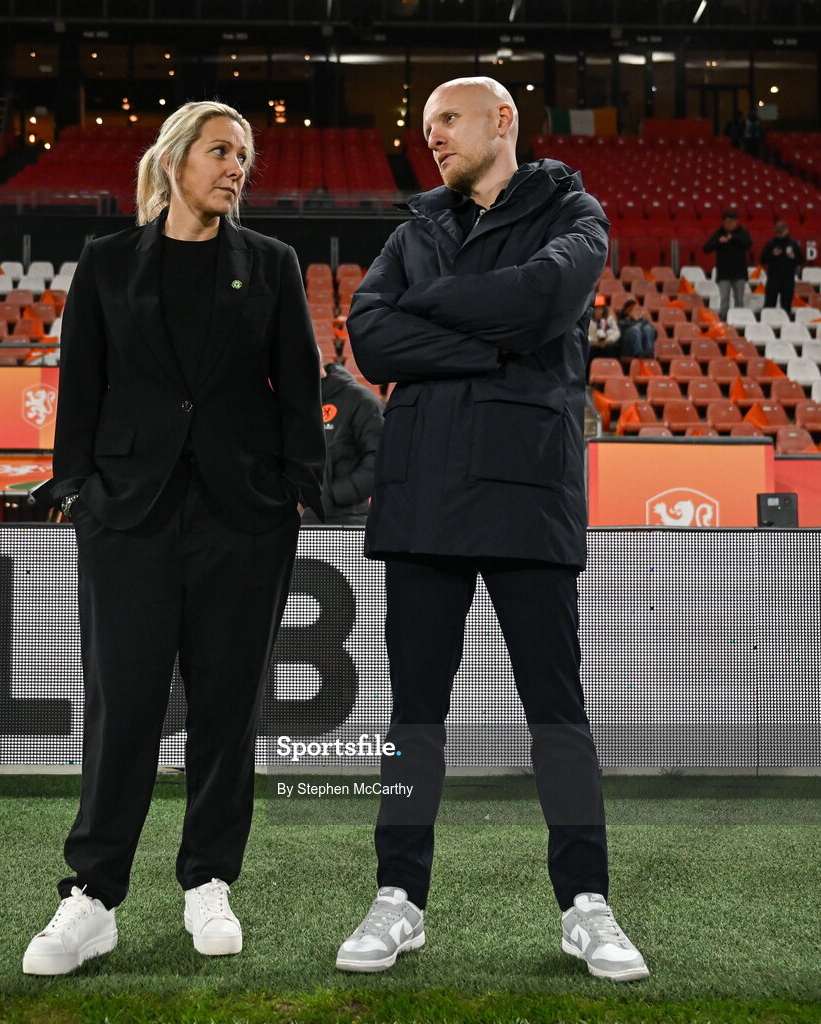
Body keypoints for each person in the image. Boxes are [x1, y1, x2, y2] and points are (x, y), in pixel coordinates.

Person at [336, 76, 648, 982]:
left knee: (557, 713)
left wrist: (431, 313)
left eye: (447, 121)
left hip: (526, 491)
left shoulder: (573, 211)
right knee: (411, 721)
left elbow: (546, 303)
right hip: (423, 491)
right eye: (424, 125)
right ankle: (398, 898)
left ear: (500, 120)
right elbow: (371, 339)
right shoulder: (411, 229)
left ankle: (585, 903)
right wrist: (491, 341)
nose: (429, 137)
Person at [23, 100, 326, 976]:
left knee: (227, 709)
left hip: (243, 518)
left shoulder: (270, 263)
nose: (238, 167)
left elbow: (299, 386)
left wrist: (294, 491)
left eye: (247, 155)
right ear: (175, 159)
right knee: (123, 705)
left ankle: (208, 881)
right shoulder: (108, 261)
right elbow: (81, 379)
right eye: (222, 150)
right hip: (129, 517)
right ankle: (92, 896)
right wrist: (78, 487)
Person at [301, 361, 384, 526]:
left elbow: (380, 459)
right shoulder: (290, 402)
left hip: (347, 521)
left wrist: (336, 494)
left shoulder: (360, 400)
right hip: (297, 521)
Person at [702, 210, 752, 319]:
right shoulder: (719, 233)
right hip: (724, 273)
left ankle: (739, 320)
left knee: (739, 299)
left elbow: (748, 244)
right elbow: (706, 248)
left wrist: (733, 238)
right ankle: (724, 320)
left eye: (732, 222)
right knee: (724, 299)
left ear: (736, 222)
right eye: (727, 222)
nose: (729, 224)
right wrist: (718, 241)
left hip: (739, 273)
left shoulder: (742, 232)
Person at [760, 220, 804, 316]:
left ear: (786, 230)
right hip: (773, 279)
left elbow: (801, 260)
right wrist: (772, 255)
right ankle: (767, 323)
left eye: (781, 231)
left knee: (786, 305)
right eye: (778, 231)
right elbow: (763, 260)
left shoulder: (793, 244)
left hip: (788, 279)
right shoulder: (771, 244)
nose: (780, 234)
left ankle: (786, 325)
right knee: (769, 304)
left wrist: (793, 257)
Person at [587, 295, 620, 364]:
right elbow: (585, 335)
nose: (598, 311)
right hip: (593, 344)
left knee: (612, 348)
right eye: (596, 309)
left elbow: (616, 332)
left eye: (600, 309)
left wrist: (608, 340)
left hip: (606, 343)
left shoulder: (609, 319)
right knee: (591, 349)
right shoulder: (588, 321)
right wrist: (594, 341)